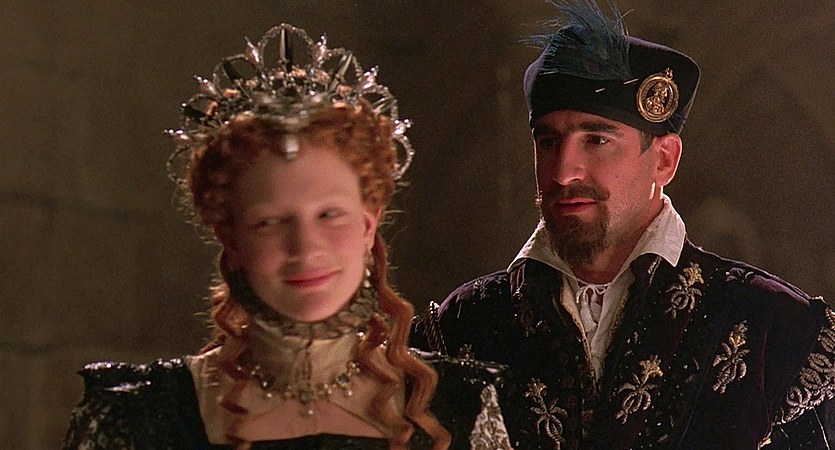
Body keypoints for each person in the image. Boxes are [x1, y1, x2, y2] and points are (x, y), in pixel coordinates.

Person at [63, 24, 511, 450]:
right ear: (231, 239)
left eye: (329, 214)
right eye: (270, 221)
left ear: (368, 225)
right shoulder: (140, 413)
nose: (305, 248)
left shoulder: (460, 404)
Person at [412, 1, 835, 449]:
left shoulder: (780, 332)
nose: (563, 172)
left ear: (664, 160)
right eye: (549, 142)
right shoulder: (461, 328)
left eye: (596, 140)